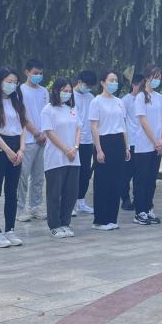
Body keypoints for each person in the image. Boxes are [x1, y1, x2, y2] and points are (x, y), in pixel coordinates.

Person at [0, 67, 27, 248]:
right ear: (0, 82)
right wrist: (7, 150)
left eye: (15, 82)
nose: (12, 85)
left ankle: (10, 229)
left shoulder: (18, 102)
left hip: (17, 147)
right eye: (9, 82)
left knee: (11, 192)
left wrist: (21, 149)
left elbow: (23, 126)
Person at [89, 71, 130, 230]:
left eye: (116, 80)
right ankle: (100, 220)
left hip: (118, 141)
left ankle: (112, 218)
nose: (114, 83)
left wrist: (126, 146)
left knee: (116, 181)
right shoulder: (96, 101)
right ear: (103, 82)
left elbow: (123, 125)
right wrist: (99, 149)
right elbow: (94, 127)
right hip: (104, 141)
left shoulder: (119, 102)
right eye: (111, 80)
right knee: (103, 182)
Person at [41, 78, 81, 238]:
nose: (67, 93)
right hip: (56, 157)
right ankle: (55, 225)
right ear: (56, 91)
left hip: (73, 157)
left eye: (69, 91)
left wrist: (75, 148)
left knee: (71, 192)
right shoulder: (48, 109)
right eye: (64, 90)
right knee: (54, 193)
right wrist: (66, 150)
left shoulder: (72, 109)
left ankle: (65, 222)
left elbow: (78, 128)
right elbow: (49, 132)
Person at [16, 59, 48, 222]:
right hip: (28, 139)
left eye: (41, 73)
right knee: (23, 176)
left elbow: (47, 113)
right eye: (35, 73)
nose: (38, 76)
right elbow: (21, 115)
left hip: (43, 139)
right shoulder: (20, 90)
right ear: (27, 72)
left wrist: (44, 134)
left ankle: (35, 206)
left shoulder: (44, 91)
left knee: (38, 176)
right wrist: (35, 132)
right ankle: (19, 209)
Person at [133, 66, 162, 225]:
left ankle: (149, 207)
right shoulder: (140, 97)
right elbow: (143, 122)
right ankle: (140, 211)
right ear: (146, 78)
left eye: (159, 77)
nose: (157, 80)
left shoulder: (160, 97)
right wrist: (154, 141)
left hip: (157, 145)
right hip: (144, 145)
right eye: (155, 77)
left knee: (152, 179)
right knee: (142, 179)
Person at [73, 70, 98, 216]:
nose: (88, 88)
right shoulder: (70, 95)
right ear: (79, 82)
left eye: (90, 86)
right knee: (72, 172)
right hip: (73, 141)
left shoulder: (91, 98)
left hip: (88, 141)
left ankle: (81, 201)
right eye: (86, 85)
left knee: (85, 172)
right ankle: (69, 202)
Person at [121, 72, 144, 211]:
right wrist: (125, 144)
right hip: (130, 142)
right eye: (140, 86)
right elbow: (122, 121)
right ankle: (125, 199)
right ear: (134, 85)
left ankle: (138, 199)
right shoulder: (125, 100)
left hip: (142, 142)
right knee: (126, 174)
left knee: (139, 174)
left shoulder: (145, 99)